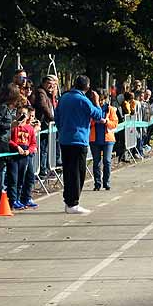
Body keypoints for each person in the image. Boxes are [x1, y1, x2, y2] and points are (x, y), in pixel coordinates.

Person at [54, 75, 104, 214]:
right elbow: (98, 115)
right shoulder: (83, 100)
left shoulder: (63, 98)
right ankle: (73, 203)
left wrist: (62, 129)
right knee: (78, 172)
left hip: (65, 139)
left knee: (68, 171)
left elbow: (56, 116)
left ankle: (68, 200)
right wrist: (97, 102)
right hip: (78, 139)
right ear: (87, 87)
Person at [88, 90, 118, 191]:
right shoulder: (91, 108)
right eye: (98, 99)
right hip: (94, 139)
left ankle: (106, 182)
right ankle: (97, 183)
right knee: (96, 162)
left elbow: (114, 123)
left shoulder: (110, 109)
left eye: (102, 99)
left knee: (107, 161)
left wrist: (106, 121)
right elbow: (87, 122)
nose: (100, 102)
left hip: (108, 139)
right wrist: (94, 122)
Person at [8, 108, 37, 209]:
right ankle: (13, 199)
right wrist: (16, 147)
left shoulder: (30, 129)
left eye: (24, 114)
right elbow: (9, 140)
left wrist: (29, 150)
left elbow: (33, 143)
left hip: (25, 155)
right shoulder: (13, 127)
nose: (21, 116)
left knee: (22, 178)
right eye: (19, 113)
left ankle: (20, 198)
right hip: (14, 155)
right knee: (13, 179)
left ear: (28, 116)